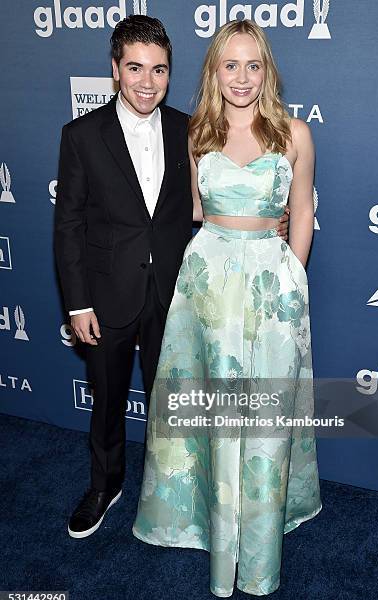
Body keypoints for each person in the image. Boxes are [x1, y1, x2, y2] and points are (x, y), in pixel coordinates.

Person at [54, 14, 291, 540]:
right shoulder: (81, 135)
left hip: (179, 293)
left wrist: (264, 215)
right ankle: (105, 485)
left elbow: (206, 204)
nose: (146, 81)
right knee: (109, 399)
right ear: (115, 69)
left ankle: (184, 494)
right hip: (108, 293)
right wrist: (78, 304)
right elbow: (67, 225)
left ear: (169, 73)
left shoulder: (192, 129)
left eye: (158, 70)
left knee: (180, 403)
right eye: (135, 68)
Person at [133, 19, 322, 597]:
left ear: (268, 70)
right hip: (208, 286)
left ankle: (260, 555)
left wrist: (290, 273)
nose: (242, 77)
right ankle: (213, 533)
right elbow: (197, 208)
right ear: (214, 72)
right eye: (230, 65)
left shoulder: (295, 133)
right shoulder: (199, 135)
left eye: (253, 64)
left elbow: (304, 213)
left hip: (271, 285)